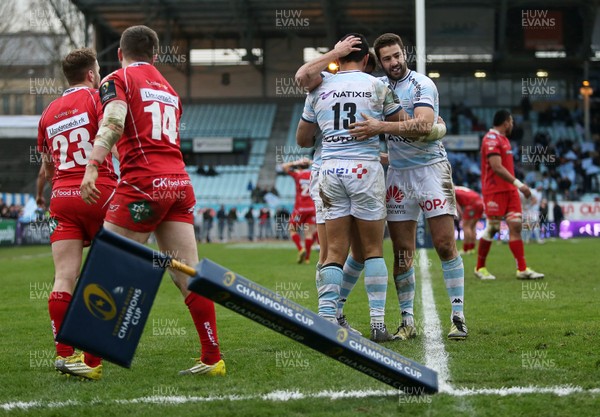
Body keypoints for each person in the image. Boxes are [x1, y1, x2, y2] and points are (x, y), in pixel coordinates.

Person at [80, 25, 224, 377]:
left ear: (120, 52)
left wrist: (93, 164)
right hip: (177, 183)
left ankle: (90, 363)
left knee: (107, 265)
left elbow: (114, 122)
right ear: (156, 55)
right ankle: (212, 358)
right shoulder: (170, 89)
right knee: (186, 271)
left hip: (143, 185)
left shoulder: (117, 79)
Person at [348, 33, 466, 340]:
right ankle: (407, 320)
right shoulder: (377, 88)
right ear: (380, 61)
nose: (394, 62)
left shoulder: (422, 85)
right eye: (387, 58)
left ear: (405, 54)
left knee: (443, 244)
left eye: (397, 56)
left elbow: (424, 125)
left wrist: (381, 127)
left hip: (431, 170)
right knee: (402, 253)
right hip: (398, 175)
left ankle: (458, 315)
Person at [296, 33, 402, 342]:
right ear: (368, 60)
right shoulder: (378, 86)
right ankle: (378, 326)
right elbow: (403, 124)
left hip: (329, 170)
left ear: (337, 59)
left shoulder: (319, 87)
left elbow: (302, 140)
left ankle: (327, 321)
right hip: (365, 170)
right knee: (371, 250)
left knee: (334, 252)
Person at [37, 48, 118, 380]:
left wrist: (41, 194)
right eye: (97, 70)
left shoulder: (48, 113)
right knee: (101, 278)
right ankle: (92, 361)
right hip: (99, 191)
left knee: (64, 277)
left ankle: (64, 354)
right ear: (90, 74)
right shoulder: (99, 98)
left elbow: (46, 165)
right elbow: (113, 139)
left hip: (62, 196)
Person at [474, 110, 544, 280]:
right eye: (511, 121)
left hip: (510, 191)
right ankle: (479, 268)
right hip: (494, 191)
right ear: (506, 122)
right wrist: (520, 185)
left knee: (515, 226)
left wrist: (516, 187)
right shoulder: (490, 139)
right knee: (493, 228)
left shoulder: (505, 140)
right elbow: (496, 167)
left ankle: (522, 269)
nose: (512, 124)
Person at [280, 158, 317, 264]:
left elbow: (283, 167)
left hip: (300, 209)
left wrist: (296, 162)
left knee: (292, 229)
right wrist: (311, 162)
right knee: (309, 233)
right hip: (311, 208)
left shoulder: (297, 175)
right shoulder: (313, 173)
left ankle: (301, 249)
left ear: (299, 166)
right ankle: (307, 259)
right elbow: (324, 165)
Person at [454, 186, 484, 254]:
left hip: (472, 204)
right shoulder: (459, 188)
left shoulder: (450, 190)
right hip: (480, 202)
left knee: (466, 226)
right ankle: (471, 248)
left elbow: (455, 204)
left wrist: (461, 215)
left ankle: (465, 249)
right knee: (472, 227)